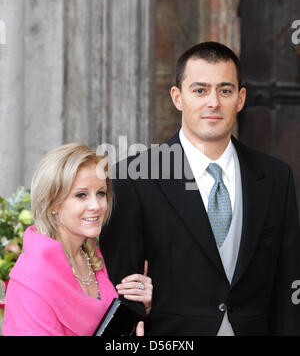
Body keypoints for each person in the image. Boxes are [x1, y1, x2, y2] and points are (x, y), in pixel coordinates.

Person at [100, 42, 300, 335]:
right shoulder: (134, 178)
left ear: (241, 99)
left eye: (225, 90)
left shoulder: (275, 178)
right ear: (177, 97)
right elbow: (121, 288)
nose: (213, 102)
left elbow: (288, 285)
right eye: (200, 90)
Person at [2, 143, 152, 336]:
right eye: (81, 195)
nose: (96, 206)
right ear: (52, 203)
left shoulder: (97, 257)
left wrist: (141, 306)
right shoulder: (32, 280)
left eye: (101, 193)